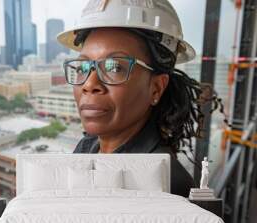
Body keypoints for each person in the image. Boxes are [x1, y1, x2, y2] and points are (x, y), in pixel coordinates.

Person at [56, 0, 227, 197]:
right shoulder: (89, 146)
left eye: (114, 67)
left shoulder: (166, 188)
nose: (89, 84)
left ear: (156, 88)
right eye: (82, 67)